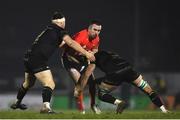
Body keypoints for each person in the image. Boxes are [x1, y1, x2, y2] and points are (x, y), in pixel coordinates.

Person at [10, 11, 95, 114]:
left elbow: (58, 43)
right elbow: (71, 43)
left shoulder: (48, 29)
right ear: (62, 23)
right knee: (50, 83)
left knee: (28, 83)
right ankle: (46, 107)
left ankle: (17, 102)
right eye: (64, 22)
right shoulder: (60, 31)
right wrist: (86, 53)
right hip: (38, 59)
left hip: (28, 57)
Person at [76, 50, 170, 114]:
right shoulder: (107, 52)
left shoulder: (91, 59)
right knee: (148, 90)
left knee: (101, 94)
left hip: (115, 74)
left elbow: (88, 73)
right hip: (128, 69)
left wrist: (82, 86)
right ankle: (164, 110)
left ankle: (119, 102)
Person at [61, 20, 102, 114]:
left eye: (99, 30)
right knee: (79, 84)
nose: (96, 32)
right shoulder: (82, 35)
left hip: (82, 61)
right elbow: (69, 48)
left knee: (92, 84)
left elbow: (95, 49)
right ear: (89, 29)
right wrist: (86, 53)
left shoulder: (97, 38)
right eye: (95, 29)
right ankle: (81, 109)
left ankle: (93, 105)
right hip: (69, 61)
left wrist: (93, 52)